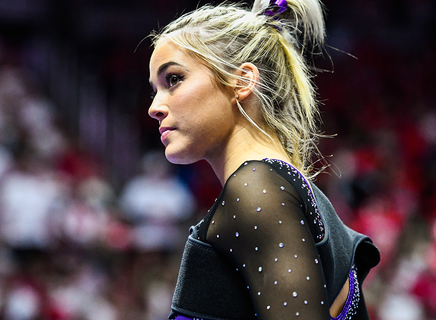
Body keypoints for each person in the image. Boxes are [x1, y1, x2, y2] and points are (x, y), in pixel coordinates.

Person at [146, 0, 381, 319]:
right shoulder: (275, 188)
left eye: (174, 79)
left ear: (242, 82)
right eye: (155, 89)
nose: (155, 107)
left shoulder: (257, 191)